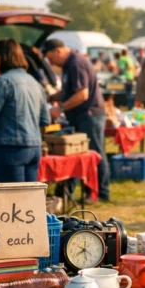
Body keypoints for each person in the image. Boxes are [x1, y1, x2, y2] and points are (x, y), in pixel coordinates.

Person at [42, 39, 110, 202]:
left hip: (89, 115)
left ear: (58, 51)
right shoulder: (69, 65)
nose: (52, 64)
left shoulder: (76, 63)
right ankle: (67, 192)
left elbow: (82, 94)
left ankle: (100, 192)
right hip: (81, 115)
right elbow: (68, 92)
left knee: (94, 153)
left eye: (51, 59)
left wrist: (60, 109)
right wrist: (50, 97)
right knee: (76, 154)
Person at [0, 39, 50, 183]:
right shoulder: (34, 82)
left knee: (14, 199)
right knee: (30, 200)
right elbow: (45, 120)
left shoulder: (1, 82)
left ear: (1, 57)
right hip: (34, 147)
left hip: (11, 149)